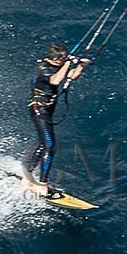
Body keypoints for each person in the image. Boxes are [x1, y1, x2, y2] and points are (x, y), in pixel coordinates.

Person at [23, 41, 90, 198]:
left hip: (47, 110)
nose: (65, 60)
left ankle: (27, 175)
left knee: (43, 144)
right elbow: (55, 81)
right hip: (39, 110)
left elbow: (71, 76)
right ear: (54, 59)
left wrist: (81, 65)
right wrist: (67, 63)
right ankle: (41, 184)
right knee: (50, 146)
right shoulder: (43, 69)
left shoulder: (57, 66)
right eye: (62, 58)